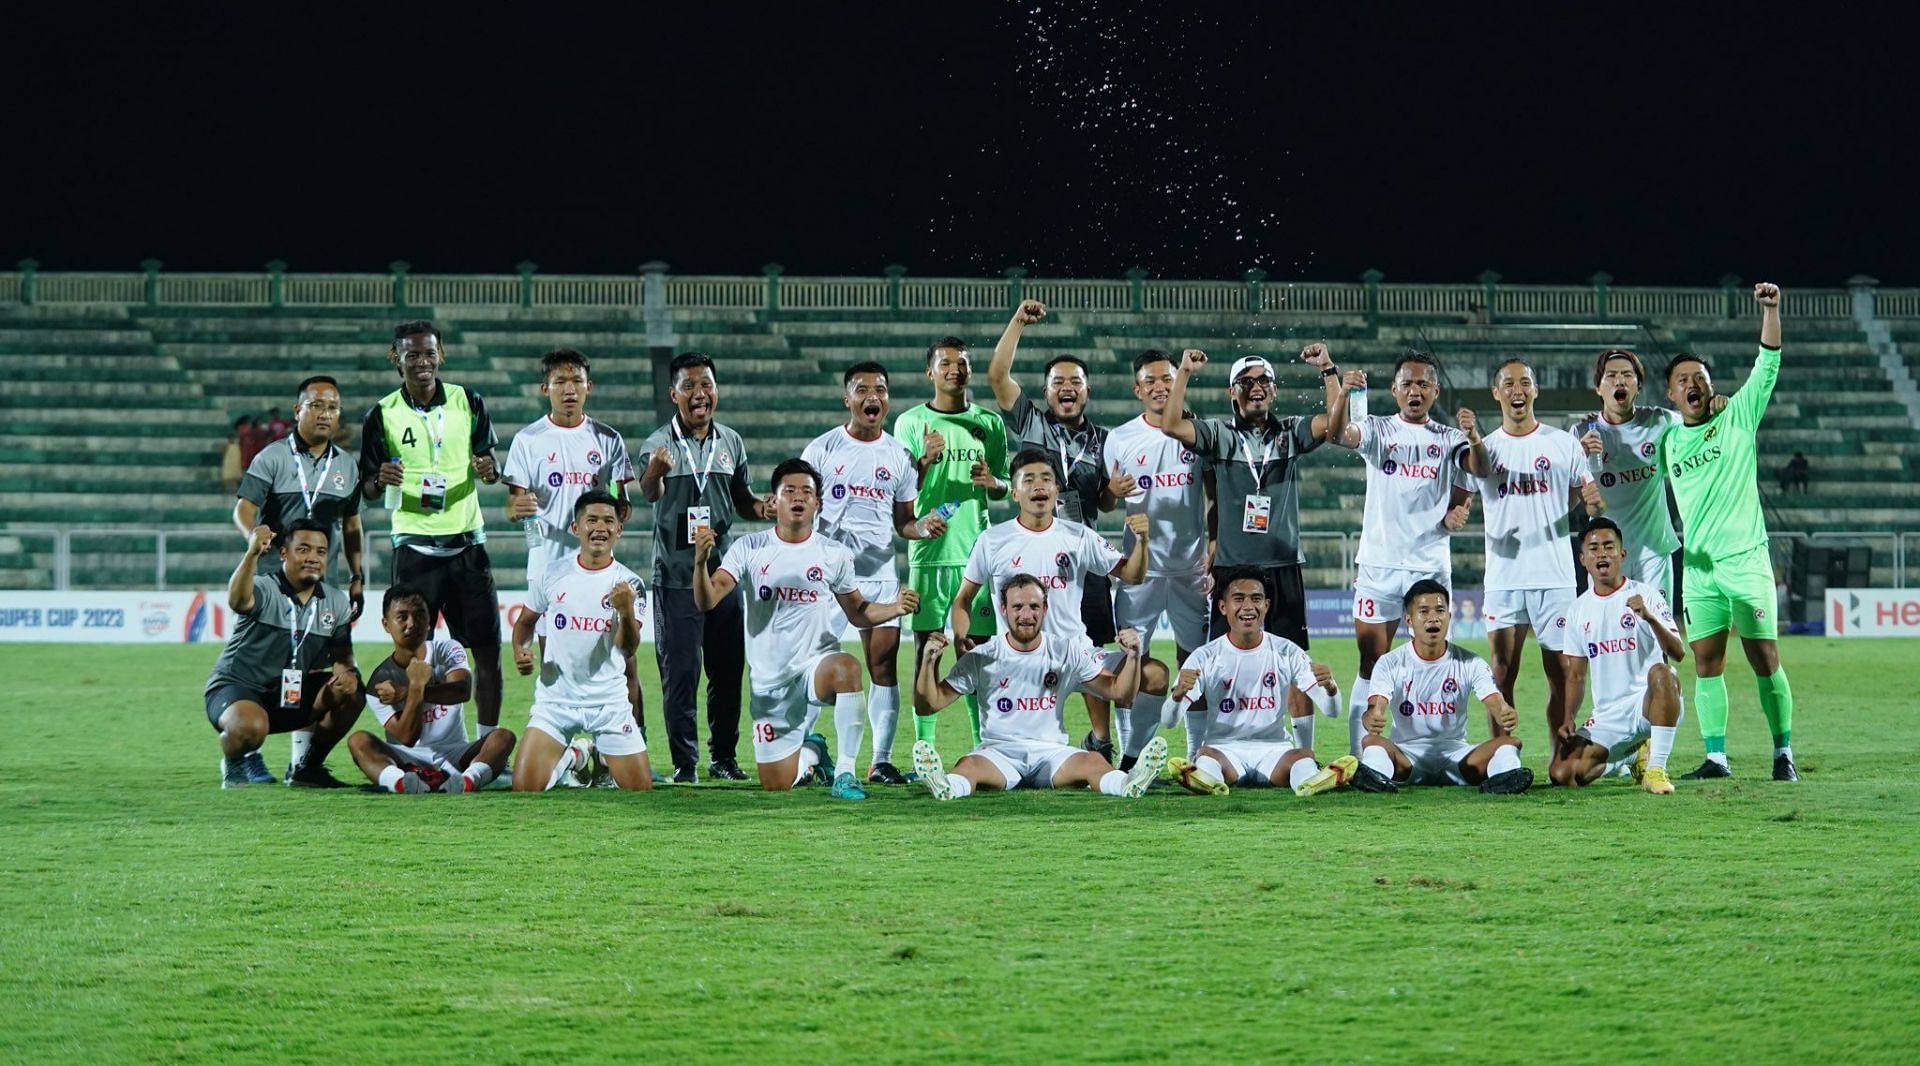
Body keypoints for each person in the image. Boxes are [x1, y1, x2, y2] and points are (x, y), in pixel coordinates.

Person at [693, 459, 919, 799]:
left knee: (847, 667)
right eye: (789, 491)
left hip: (814, 666)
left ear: (818, 503)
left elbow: (857, 612)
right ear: (774, 500)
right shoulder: (749, 548)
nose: (798, 497)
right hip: (770, 683)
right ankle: (814, 752)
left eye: (807, 492)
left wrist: (894, 609)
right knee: (777, 784)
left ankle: (845, 772)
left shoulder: (834, 554)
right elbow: (708, 600)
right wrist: (699, 564)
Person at [1661, 283, 1799, 781]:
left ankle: (1783, 752)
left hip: (1746, 560)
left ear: (1710, 386)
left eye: (1699, 377)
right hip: (1698, 571)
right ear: (1672, 394)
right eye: (1683, 380)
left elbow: (1768, 363)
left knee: (1765, 658)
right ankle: (1716, 757)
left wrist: (1771, 310)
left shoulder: (1737, 416)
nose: (1693, 383)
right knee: (1706, 664)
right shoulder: (1669, 441)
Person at [1322, 351, 1485, 755]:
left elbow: (1473, 476)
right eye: (1407, 384)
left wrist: (1460, 509)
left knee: (1429, 659)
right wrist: (1342, 392)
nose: (1415, 391)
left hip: (1428, 565)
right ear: (1394, 391)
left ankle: (1428, 749)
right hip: (1379, 563)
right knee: (1371, 664)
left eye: (1423, 384)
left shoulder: (1450, 440)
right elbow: (1337, 434)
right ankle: (1360, 758)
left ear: (1435, 390)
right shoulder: (1377, 430)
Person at [985, 300, 1124, 760]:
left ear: (1087, 392)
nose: (1067, 389)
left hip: (1083, 556)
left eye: (1075, 383)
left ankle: (1100, 742)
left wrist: (1113, 492)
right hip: (1031, 553)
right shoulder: (1030, 423)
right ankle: (1019, 737)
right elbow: (997, 377)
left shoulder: (1104, 439)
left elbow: (1102, 501)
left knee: (1093, 650)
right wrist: (1018, 323)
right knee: (1027, 644)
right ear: (1045, 392)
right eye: (1058, 382)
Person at [358, 320, 507, 738]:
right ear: (396, 358)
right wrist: (379, 478)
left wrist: (490, 471)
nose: (422, 362)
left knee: (487, 652)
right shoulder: (381, 413)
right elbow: (367, 487)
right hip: (415, 547)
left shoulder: (468, 401)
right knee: (411, 655)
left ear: (440, 355)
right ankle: (419, 743)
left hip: (466, 545)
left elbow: (490, 465)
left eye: (429, 353)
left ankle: (485, 744)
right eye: (412, 354)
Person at [950, 449, 1163, 736]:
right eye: (1028, 480)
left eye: (1046, 479)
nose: (1039, 486)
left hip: (1077, 654)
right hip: (1020, 659)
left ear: (1056, 489)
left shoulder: (1078, 535)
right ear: (1014, 493)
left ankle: (1125, 758)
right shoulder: (992, 541)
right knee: (1019, 760)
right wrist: (962, 636)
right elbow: (963, 598)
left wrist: (1143, 542)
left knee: (1155, 675)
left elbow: (1133, 574)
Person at [801, 362, 941, 784]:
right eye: (862, 389)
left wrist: (923, 527)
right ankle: (798, 751)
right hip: (827, 576)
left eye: (880, 388)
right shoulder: (821, 450)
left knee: (882, 666)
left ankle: (879, 761)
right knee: (813, 663)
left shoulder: (897, 454)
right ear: (847, 399)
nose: (872, 396)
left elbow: (904, 523)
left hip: (879, 573)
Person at [910, 575, 1164, 799]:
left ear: (1045, 608)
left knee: (1093, 761)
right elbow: (927, 705)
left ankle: (1127, 784)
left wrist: (1133, 656)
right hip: (1000, 752)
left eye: (1033, 606)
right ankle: (946, 786)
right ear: (1004, 609)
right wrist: (927, 662)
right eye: (1017, 607)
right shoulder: (982, 657)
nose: (1026, 615)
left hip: (1052, 753)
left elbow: (1121, 694)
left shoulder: (1065, 652)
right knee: (968, 766)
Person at [639, 351, 770, 784]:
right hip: (676, 577)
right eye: (690, 386)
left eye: (707, 385)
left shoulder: (731, 442)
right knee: (680, 675)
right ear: (673, 393)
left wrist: (762, 507)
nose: (700, 394)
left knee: (728, 670)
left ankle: (725, 758)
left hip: (722, 575)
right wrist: (656, 471)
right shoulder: (656, 444)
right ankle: (685, 764)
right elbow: (650, 493)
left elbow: (742, 501)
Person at [1474, 358, 1605, 740]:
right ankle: (1501, 755)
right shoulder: (1485, 450)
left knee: (1562, 673)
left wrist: (1594, 502)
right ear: (1496, 393)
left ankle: (1561, 752)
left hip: (1556, 576)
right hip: (1504, 576)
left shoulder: (1563, 444)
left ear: (1536, 389)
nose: (1518, 390)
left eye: (1525, 382)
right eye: (1509, 384)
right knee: (1501, 672)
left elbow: (1587, 503)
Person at [894, 335, 1010, 753]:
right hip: (929, 557)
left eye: (961, 363)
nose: (954, 369)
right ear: (930, 372)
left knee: (975, 654)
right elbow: (903, 495)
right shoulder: (909, 424)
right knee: (928, 651)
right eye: (945, 363)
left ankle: (985, 748)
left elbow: (1005, 487)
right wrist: (923, 463)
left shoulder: (989, 423)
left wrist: (993, 481)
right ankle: (924, 750)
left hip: (976, 559)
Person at [1103, 348, 1212, 769]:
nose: (1160, 387)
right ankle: (1130, 757)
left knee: (1194, 661)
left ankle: (1198, 754)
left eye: (1167, 378)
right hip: (1139, 571)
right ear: (1137, 389)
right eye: (1150, 380)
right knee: (1132, 661)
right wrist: (1112, 491)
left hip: (1190, 568)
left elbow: (1215, 493)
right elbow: (1109, 502)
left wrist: (1215, 545)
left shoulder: (1196, 433)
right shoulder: (1121, 438)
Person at [1165, 567, 1358, 796]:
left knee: (1303, 757)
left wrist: (1331, 688)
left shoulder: (1287, 651)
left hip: (1274, 752)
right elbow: (1169, 720)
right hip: (1224, 750)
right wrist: (1177, 696)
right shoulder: (1205, 656)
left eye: (1256, 599)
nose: (1248, 607)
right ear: (1223, 607)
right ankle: (1209, 780)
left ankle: (1309, 784)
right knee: (1207, 757)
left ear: (1266, 606)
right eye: (1239, 599)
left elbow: (1332, 710)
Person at [510, 491, 655, 791]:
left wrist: (626, 611)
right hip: (556, 702)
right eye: (591, 520)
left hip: (608, 703)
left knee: (640, 792)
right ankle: (574, 756)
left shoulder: (630, 584)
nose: (600, 527)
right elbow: (525, 623)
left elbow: (628, 649)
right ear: (576, 528)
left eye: (608, 521)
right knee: (524, 790)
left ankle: (593, 756)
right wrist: (519, 650)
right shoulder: (552, 574)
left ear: (619, 529)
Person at [204, 520, 363, 789]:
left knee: (354, 689)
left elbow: (342, 654)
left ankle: (308, 767)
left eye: (321, 552)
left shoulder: (335, 602)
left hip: (289, 695)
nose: (313, 558)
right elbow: (237, 601)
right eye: (303, 549)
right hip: (237, 689)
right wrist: (252, 553)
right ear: (283, 554)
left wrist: (345, 674)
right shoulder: (265, 588)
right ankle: (235, 762)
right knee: (249, 727)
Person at [1351, 580, 1533, 794]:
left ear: (1449, 616)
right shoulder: (1390, 662)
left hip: (1456, 756)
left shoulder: (1470, 662)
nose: (1433, 617)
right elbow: (1375, 706)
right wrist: (1372, 717)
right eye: (1424, 611)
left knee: (1510, 742)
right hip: (1406, 756)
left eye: (1440, 610)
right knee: (1371, 741)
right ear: (1409, 620)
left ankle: (1503, 781)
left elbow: (1494, 699)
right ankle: (1377, 778)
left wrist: (1504, 711)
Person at [1570, 348, 1719, 604]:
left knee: (1657, 631)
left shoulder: (1660, 422)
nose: (1620, 381)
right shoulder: (1581, 432)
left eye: (1628, 375)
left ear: (1638, 386)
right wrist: (1578, 455)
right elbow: (1566, 499)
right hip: (1608, 554)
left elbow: (1697, 422)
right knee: (1611, 634)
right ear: (1598, 387)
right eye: (1611, 375)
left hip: (1654, 552)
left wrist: (1715, 407)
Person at [1550, 519, 1687, 793]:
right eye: (1594, 548)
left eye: (1609, 546)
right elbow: (1576, 675)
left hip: (1647, 704)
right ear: (1583, 559)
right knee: (1564, 773)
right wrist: (1568, 718)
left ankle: (1656, 769)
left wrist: (1649, 618)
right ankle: (1630, 754)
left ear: (1622, 554)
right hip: (1607, 716)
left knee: (1663, 673)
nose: (1602, 554)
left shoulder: (1646, 595)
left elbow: (1678, 652)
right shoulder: (1578, 610)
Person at [346, 584, 517, 793]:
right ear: (386, 624)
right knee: (358, 740)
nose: (412, 624)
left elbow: (461, 691)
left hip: (456, 752)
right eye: (402, 617)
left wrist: (408, 691)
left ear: (430, 621)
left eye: (419, 615)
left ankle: (466, 782)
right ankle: (403, 783)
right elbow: (407, 738)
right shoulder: (379, 681)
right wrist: (416, 686)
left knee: (503, 737)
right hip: (407, 757)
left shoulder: (448, 649)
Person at [236, 377, 366, 638]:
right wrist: (253, 537)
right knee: (268, 659)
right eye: (316, 405)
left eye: (332, 408)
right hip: (275, 580)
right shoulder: (272, 457)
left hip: (324, 582)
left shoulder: (348, 465)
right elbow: (244, 509)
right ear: (297, 411)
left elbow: (352, 525)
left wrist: (356, 577)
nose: (325, 414)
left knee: (321, 666)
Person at [503, 348, 635, 590]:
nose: (570, 390)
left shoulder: (609, 438)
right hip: (546, 563)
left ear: (589, 387)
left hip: (596, 561)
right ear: (546, 389)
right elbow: (512, 507)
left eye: (577, 381)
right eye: (560, 382)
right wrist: (516, 508)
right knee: (545, 630)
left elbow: (620, 498)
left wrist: (620, 507)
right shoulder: (527, 439)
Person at [220, 422, 243, 495]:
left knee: (235, 478)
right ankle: (224, 491)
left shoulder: (238, 445)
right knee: (226, 477)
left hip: (236, 463)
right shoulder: (226, 445)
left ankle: (235, 491)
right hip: (228, 463)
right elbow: (223, 453)